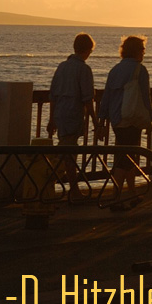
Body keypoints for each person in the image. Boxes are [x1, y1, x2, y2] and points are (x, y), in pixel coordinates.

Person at [101, 34, 152, 210]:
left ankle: (131, 194)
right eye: (143, 50)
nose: (144, 53)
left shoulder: (114, 70)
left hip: (117, 119)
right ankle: (116, 198)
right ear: (137, 51)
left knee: (126, 156)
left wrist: (103, 119)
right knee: (126, 159)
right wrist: (150, 118)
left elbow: (106, 97)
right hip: (133, 119)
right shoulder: (140, 70)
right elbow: (146, 98)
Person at [46, 32, 98, 198]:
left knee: (66, 152)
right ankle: (52, 185)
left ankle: (68, 189)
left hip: (60, 114)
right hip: (73, 115)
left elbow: (53, 95)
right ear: (88, 50)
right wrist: (96, 123)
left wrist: (51, 118)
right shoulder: (84, 69)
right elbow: (88, 99)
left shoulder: (62, 67)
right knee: (66, 155)